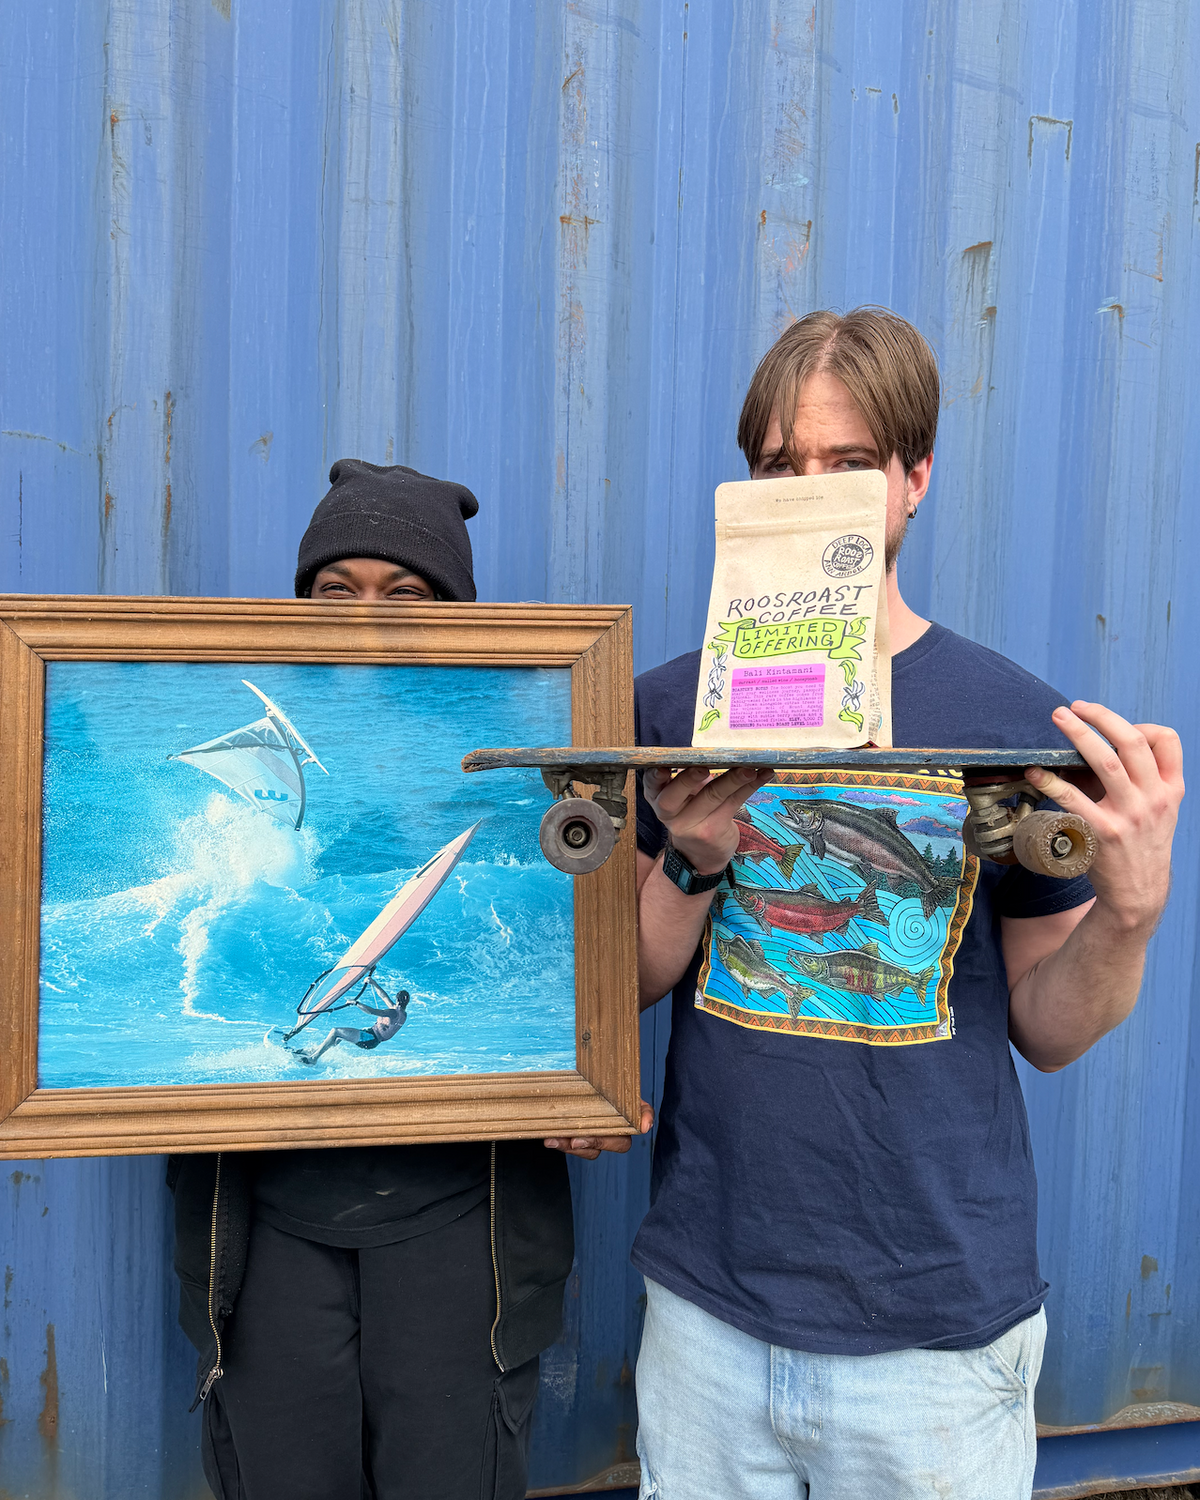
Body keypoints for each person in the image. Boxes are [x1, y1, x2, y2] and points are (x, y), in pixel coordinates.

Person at [628, 309, 1183, 1500]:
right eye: (782, 467)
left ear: (913, 478)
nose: (813, 491)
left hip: (936, 1337)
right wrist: (690, 856)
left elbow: (1050, 1028)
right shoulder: (672, 708)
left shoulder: (1015, 722)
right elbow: (626, 981)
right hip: (710, 1316)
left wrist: (1129, 917)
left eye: (849, 462)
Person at [169, 460, 641, 1500]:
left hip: (460, 1229)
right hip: (268, 1226)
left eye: (406, 593)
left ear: (458, 618)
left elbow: (585, 950)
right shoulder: (257, 747)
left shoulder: (525, 755)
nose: (364, 618)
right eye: (336, 590)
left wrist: (591, 1065)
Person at [295, 983, 410, 1066]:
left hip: (370, 1039)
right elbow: (384, 996)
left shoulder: (392, 1012)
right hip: (372, 1038)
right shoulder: (402, 1014)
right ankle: (314, 1050)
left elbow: (372, 1012)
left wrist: (356, 1003)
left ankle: (313, 1058)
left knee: (335, 1031)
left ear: (397, 1000)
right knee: (338, 1038)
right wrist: (373, 983)